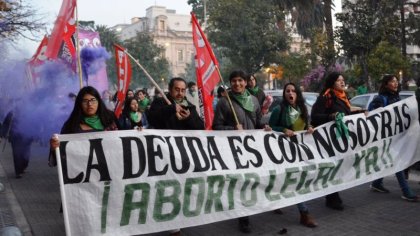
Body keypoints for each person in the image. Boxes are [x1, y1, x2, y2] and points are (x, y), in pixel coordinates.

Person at [212, 70, 271, 233]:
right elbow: (216, 127)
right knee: (240, 183)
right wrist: (232, 129)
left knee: (251, 180)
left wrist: (264, 127)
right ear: (230, 83)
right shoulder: (225, 102)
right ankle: (243, 218)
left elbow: (258, 121)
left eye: (240, 80)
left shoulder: (253, 100)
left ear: (246, 82)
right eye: (233, 81)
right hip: (234, 151)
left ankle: (249, 208)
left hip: (252, 150)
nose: (237, 84)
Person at [147, 78, 204, 236]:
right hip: (164, 156)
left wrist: (189, 118)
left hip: (183, 156)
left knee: (181, 189)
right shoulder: (160, 103)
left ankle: (178, 220)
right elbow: (152, 117)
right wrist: (172, 108)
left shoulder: (190, 106)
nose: (180, 93)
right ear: (170, 90)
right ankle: (174, 228)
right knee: (167, 188)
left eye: (183, 90)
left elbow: (200, 127)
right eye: (177, 90)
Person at [311, 72, 365, 210]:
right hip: (329, 139)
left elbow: (345, 116)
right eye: (338, 80)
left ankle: (333, 196)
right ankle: (332, 198)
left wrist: (359, 113)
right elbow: (315, 117)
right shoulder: (326, 96)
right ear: (332, 82)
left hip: (341, 139)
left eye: (343, 80)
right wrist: (331, 116)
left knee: (339, 166)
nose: (342, 82)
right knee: (332, 167)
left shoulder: (343, 97)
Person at [268, 82, 317, 228]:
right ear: (284, 94)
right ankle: (304, 213)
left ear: (297, 94)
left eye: (293, 91)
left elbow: (307, 125)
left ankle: (276, 201)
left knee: (290, 179)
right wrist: (283, 129)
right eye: (288, 91)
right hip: (283, 152)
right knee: (294, 180)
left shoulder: (302, 109)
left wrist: (309, 127)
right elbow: (270, 129)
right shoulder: (279, 109)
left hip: (299, 151)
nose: (290, 93)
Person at [369, 74, 418, 202]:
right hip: (386, 137)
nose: (395, 83)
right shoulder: (380, 99)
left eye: (396, 81)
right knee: (398, 163)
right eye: (392, 81)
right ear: (386, 84)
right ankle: (406, 191)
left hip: (397, 136)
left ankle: (376, 183)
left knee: (388, 161)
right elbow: (374, 117)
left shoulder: (397, 98)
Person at [49, 86, 119, 165]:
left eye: (93, 100)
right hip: (84, 171)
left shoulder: (110, 118)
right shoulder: (71, 125)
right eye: (85, 101)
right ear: (79, 104)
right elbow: (62, 155)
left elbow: (124, 140)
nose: (89, 104)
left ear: (99, 101)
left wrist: (135, 132)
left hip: (111, 169)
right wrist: (55, 147)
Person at [1, 109, 32, 178]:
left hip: (26, 137)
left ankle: (23, 167)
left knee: (26, 155)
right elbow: (5, 125)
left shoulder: (29, 112)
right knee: (17, 154)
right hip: (15, 138)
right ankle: (18, 172)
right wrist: (3, 134)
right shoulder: (11, 114)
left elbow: (33, 124)